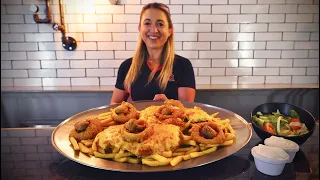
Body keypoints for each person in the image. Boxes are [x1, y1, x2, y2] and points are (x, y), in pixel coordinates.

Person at [110, 3, 196, 105]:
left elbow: (187, 109)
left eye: (160, 24)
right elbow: (115, 103)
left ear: (170, 31)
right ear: (139, 28)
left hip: (171, 121)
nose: (154, 30)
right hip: (137, 121)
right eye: (147, 23)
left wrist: (168, 105)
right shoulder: (127, 67)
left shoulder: (183, 65)